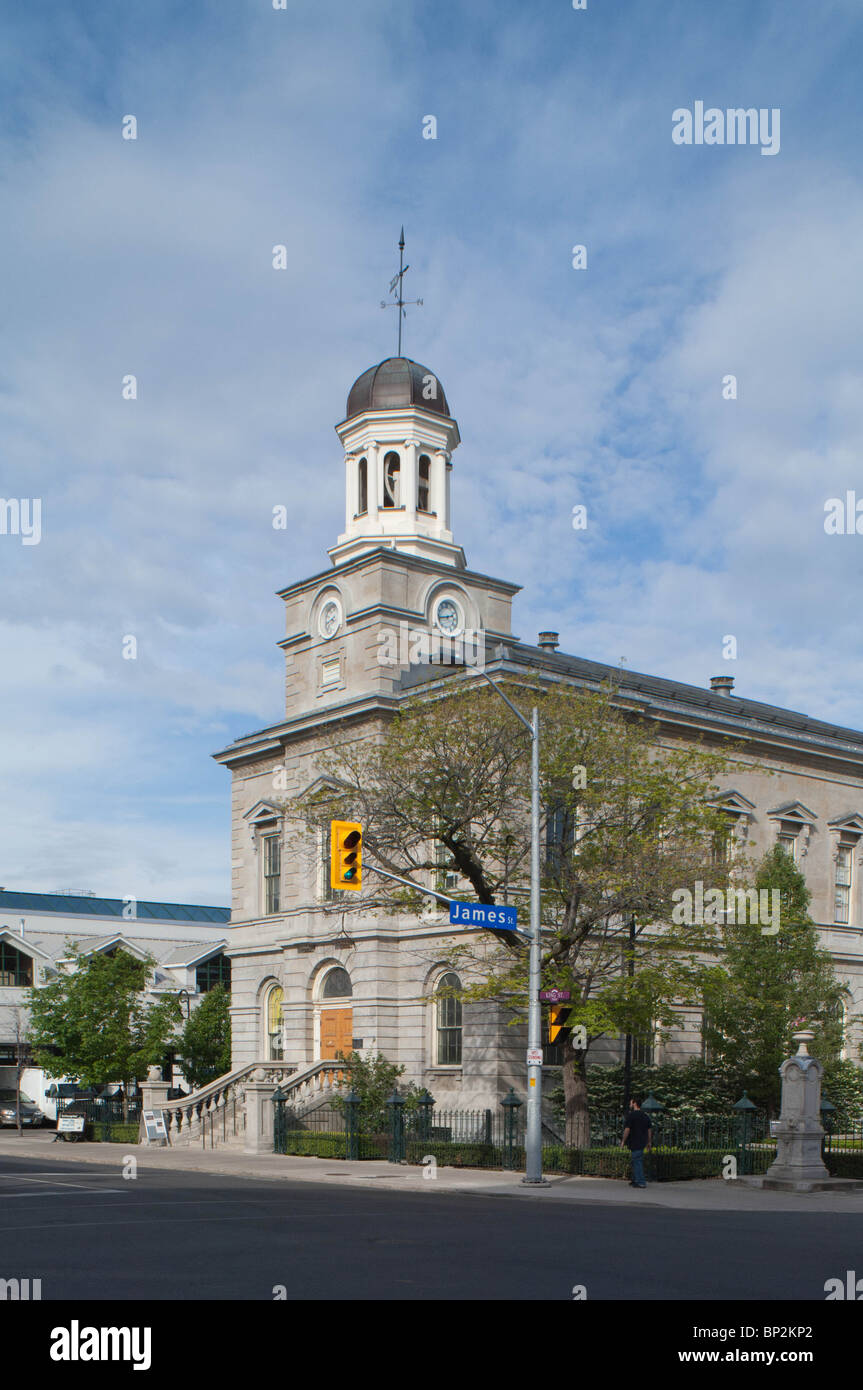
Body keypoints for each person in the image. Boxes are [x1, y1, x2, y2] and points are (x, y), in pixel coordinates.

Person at [621, 1096, 652, 1188]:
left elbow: (627, 1129)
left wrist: (623, 1141)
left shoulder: (631, 1116)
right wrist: (649, 1142)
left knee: (637, 1161)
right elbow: (649, 1130)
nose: (630, 1104)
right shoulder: (645, 1116)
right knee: (635, 1161)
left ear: (634, 1103)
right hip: (642, 1141)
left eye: (631, 1103)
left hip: (634, 1141)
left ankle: (641, 1181)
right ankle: (635, 1179)